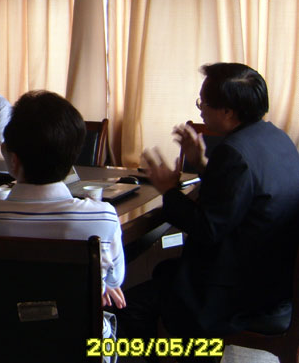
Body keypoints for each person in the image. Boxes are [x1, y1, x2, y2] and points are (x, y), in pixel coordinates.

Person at [119, 63, 299, 339]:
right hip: (271, 279)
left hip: (236, 294)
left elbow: (207, 228)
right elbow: (241, 195)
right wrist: (203, 163)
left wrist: (168, 190)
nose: (200, 109)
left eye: (203, 102)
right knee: (163, 272)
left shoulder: (234, 153)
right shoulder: (276, 138)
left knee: (128, 307)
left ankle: (191, 354)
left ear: (227, 112)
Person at [0, 90, 126, 344]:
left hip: (5, 342)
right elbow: (115, 279)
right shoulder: (102, 218)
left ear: (13, 159)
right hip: (79, 343)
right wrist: (102, 283)